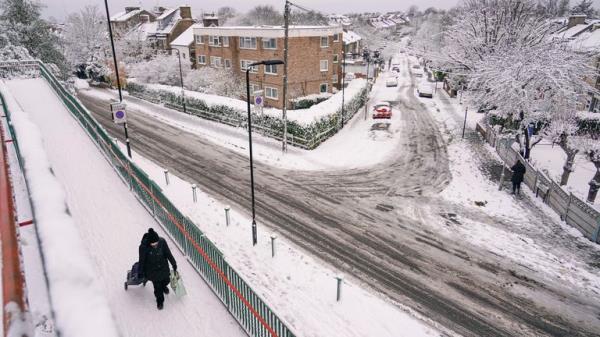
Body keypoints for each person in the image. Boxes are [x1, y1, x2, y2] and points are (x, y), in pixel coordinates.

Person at [139, 228, 177, 310]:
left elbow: (168, 253)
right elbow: (141, 260)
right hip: (152, 270)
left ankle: (164, 286)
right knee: (157, 287)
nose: (155, 245)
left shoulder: (162, 242)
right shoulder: (144, 247)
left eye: (156, 243)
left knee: (167, 280)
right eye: (153, 244)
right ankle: (160, 301)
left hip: (163, 267)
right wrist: (140, 272)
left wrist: (174, 263)